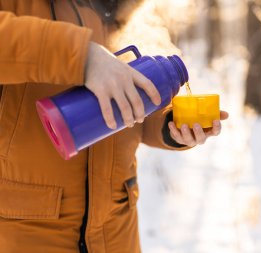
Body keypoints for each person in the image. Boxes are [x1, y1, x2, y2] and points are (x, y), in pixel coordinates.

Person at [0, 0, 228, 253]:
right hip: (26, 232)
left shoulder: (124, 12)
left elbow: (135, 108)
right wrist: (83, 56)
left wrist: (169, 127)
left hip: (116, 233)